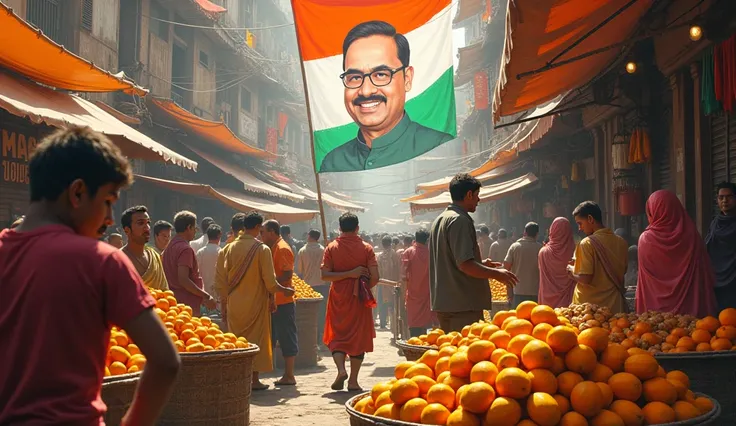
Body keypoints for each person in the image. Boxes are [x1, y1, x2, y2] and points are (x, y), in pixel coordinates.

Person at [0, 127, 180, 425]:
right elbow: (165, 361)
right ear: (78, 193)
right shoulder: (102, 262)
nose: (110, 218)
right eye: (108, 201)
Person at [320, 20, 453, 172]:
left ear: (407, 79)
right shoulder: (333, 164)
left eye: (381, 75)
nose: (366, 90)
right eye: (355, 77)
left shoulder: (442, 149)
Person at [215, 212, 295, 390]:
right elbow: (270, 282)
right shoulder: (262, 249)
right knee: (255, 341)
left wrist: (224, 305)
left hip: (234, 303)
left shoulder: (227, 249)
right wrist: (285, 291)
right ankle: (254, 380)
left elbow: (220, 282)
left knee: (236, 340)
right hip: (256, 304)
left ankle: (237, 379)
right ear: (258, 228)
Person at [429, 174, 518, 332]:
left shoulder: (441, 218)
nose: (479, 200)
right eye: (477, 195)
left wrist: (481, 265)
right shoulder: (460, 220)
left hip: (446, 303)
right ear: (469, 194)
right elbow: (464, 265)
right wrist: (496, 274)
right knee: (465, 353)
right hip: (462, 304)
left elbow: (453, 261)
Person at [321, 213, 379, 391]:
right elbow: (375, 277)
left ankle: (340, 370)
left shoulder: (331, 248)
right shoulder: (367, 248)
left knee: (338, 335)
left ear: (339, 228)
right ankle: (353, 381)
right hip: (359, 299)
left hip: (338, 297)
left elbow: (325, 275)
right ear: (357, 228)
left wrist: (345, 275)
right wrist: (361, 284)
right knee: (358, 337)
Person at [636, 190, 716, 316]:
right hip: (692, 311)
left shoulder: (646, 239)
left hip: (656, 314)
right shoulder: (692, 235)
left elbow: (647, 282)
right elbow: (703, 271)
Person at [567, 201, 628, 313]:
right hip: (615, 307)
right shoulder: (621, 242)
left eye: (580, 223)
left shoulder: (586, 243)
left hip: (590, 310)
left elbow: (585, 279)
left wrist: (571, 271)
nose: (579, 228)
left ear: (590, 219)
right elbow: (622, 271)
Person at [261, 219, 298, 386]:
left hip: (283, 300)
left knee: (286, 337)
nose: (261, 235)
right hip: (276, 300)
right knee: (276, 336)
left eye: (263, 232)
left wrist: (270, 281)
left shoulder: (282, 248)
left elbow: (287, 275)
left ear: (272, 232)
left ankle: (289, 375)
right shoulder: (273, 247)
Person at [162, 211, 216, 317]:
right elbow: (183, 279)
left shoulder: (169, 246)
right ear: (188, 227)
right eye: (194, 227)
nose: (195, 231)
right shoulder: (185, 249)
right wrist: (206, 296)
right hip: (186, 305)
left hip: (173, 301)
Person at [121, 205, 169, 290]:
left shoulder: (154, 256)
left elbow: (165, 292)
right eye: (140, 223)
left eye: (148, 223)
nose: (147, 228)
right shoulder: (118, 259)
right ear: (127, 230)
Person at [706, 181, 736, 311]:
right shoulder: (715, 223)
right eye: (721, 197)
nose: (725, 200)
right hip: (717, 278)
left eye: (729, 197)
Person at [401, 228, 435, 337]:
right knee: (426, 327)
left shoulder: (408, 252)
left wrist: (403, 296)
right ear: (427, 240)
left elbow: (403, 276)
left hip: (413, 295)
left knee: (414, 327)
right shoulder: (432, 253)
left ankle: (414, 349)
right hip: (429, 295)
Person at [297, 229, 328, 349]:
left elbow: (299, 270)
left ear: (309, 236)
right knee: (321, 313)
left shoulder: (302, 251)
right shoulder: (323, 250)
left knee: (309, 315)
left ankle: (311, 341)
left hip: (308, 288)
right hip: (322, 284)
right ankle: (321, 338)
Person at [538, 217, 576, 308]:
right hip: (569, 301)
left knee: (546, 321)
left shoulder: (543, 252)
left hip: (547, 302)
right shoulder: (575, 251)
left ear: (552, 231)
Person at [504, 222, 543, 306]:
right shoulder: (540, 249)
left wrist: (509, 291)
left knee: (518, 317)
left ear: (524, 232)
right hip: (535, 291)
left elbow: (506, 267)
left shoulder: (514, 247)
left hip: (517, 290)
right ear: (537, 234)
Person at [196, 224, 222, 314]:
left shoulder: (200, 252)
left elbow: (196, 274)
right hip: (219, 298)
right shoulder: (221, 252)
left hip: (204, 296)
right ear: (219, 235)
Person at [376, 235, 400, 330]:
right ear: (391, 243)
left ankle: (383, 323)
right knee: (394, 304)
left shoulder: (380, 256)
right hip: (395, 283)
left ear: (382, 244)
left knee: (383, 305)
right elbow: (399, 269)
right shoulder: (396, 255)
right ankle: (395, 325)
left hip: (383, 283)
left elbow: (378, 272)